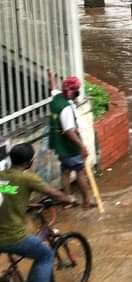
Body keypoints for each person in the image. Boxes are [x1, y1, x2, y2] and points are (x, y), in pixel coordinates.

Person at [0, 143, 75, 282]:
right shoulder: (27, 178)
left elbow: (9, 195)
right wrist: (69, 199)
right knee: (46, 253)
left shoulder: (2, 176)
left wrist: (27, 204)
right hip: (11, 237)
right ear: (30, 162)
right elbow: (54, 193)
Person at [47, 73, 94, 209]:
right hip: (68, 145)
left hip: (58, 144)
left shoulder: (56, 98)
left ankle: (67, 200)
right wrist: (82, 146)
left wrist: (51, 78)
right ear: (73, 91)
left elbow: (53, 88)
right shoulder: (66, 108)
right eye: (75, 91)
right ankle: (86, 201)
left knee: (66, 170)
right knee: (80, 172)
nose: (75, 94)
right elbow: (69, 131)